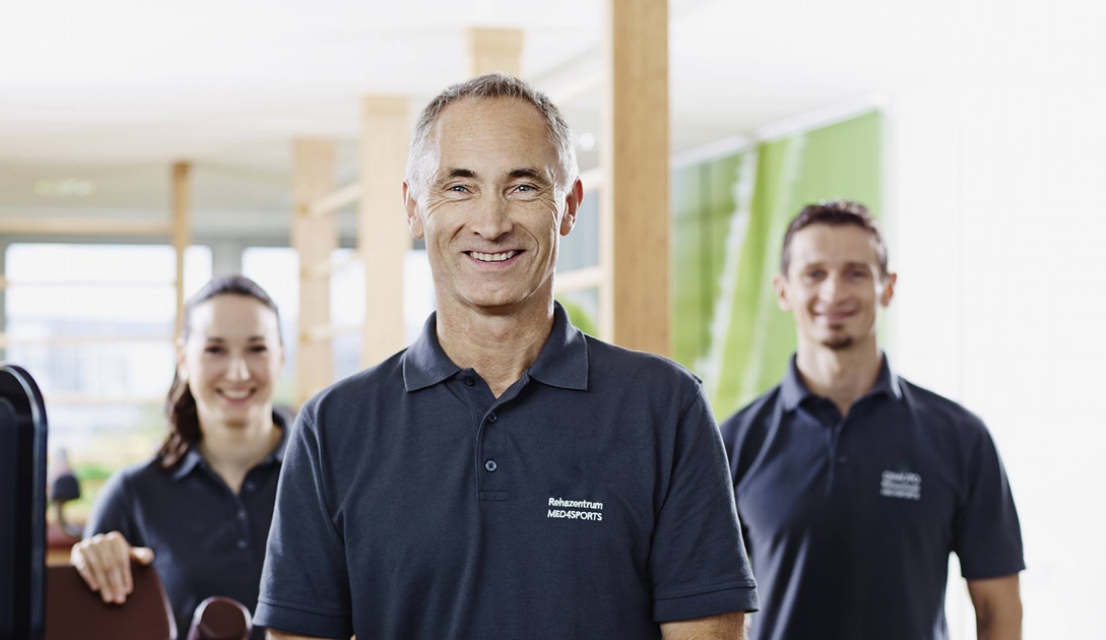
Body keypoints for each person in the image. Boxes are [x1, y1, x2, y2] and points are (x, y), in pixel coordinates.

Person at [254, 73, 757, 640]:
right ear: (414, 208)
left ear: (568, 206)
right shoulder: (334, 426)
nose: (491, 224)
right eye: (459, 187)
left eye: (522, 188)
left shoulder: (664, 407)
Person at [720, 201, 1024, 640]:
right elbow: (710, 610)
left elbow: (999, 611)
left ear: (888, 287)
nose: (834, 293)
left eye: (856, 273)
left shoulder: (961, 437)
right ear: (783, 290)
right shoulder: (732, 442)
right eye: (814, 274)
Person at [73, 275, 290, 635]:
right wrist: (90, 560)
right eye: (215, 350)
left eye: (257, 349)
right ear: (183, 358)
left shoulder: (326, 479)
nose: (238, 372)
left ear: (281, 356)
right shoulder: (132, 494)